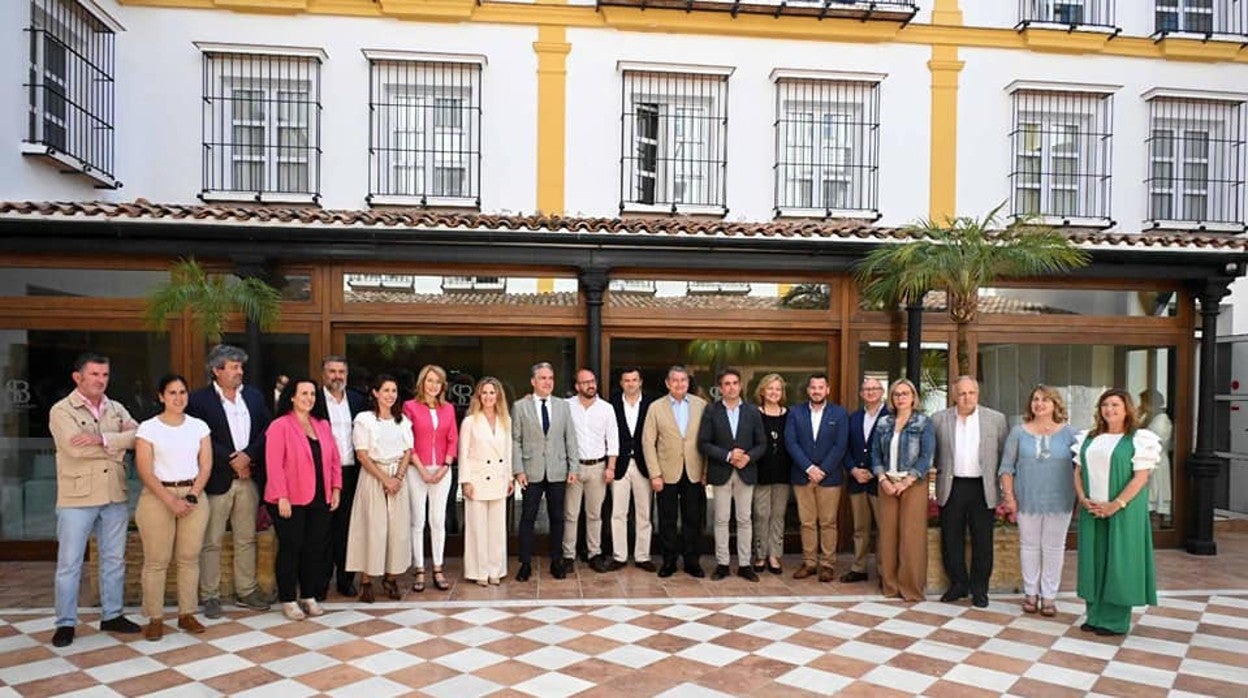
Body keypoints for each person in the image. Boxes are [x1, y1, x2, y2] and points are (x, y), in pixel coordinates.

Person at [48, 353, 141, 648]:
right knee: (70, 563)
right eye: (95, 374)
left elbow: (139, 436)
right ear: (78, 377)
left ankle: (112, 615)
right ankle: (65, 622)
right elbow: (75, 450)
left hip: (113, 493)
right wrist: (116, 444)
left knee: (114, 559)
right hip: (77, 497)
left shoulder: (116, 407)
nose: (101, 380)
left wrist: (100, 440)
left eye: (105, 375)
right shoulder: (61, 411)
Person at [186, 344, 272, 618]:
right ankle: (210, 595)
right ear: (217, 370)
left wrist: (248, 456)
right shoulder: (199, 401)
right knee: (210, 539)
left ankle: (246, 591)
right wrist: (232, 459)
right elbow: (201, 436)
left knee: (246, 538)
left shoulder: (255, 397)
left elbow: (267, 430)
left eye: (240, 367)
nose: (240, 372)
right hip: (217, 480)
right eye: (234, 367)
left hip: (249, 479)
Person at [1073, 388, 1160, 636]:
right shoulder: (1089, 438)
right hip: (1093, 509)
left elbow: (1140, 477)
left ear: (1126, 409)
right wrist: (1082, 498)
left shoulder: (1138, 439)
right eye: (1105, 405)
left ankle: (1114, 621)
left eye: (1115, 405)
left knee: (1118, 562)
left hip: (1123, 511)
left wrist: (1116, 504)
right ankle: (1095, 615)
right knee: (1094, 560)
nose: (1109, 410)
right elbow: (1078, 472)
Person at [134, 374, 212, 641]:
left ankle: (186, 613)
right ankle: (155, 617)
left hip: (193, 494)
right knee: (156, 560)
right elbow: (144, 469)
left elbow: (206, 465)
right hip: (158, 495)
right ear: (161, 397)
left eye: (182, 392)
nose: (178, 398)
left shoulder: (199, 426)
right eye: (172, 393)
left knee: (189, 558)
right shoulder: (148, 428)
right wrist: (170, 500)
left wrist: (191, 497)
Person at [264, 378, 342, 620]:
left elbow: (334, 460)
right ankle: (288, 599)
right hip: (290, 500)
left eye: (312, 394)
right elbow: (274, 465)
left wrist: (336, 488)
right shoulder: (280, 426)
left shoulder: (322, 425)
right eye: (304, 393)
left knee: (314, 549)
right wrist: (281, 496)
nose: (309, 398)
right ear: (292, 397)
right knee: (291, 548)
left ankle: (308, 595)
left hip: (320, 496)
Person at [999, 385, 1077, 617]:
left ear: (1056, 405)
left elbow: (1081, 468)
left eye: (1045, 399)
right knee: (1029, 547)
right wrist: (1009, 497)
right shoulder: (1018, 432)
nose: (1039, 403)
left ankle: (1049, 596)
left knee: (1054, 549)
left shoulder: (1070, 433)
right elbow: (1006, 468)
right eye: (1035, 399)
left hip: (1060, 500)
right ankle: (1031, 594)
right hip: (1027, 499)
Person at [932, 376, 1008, 608]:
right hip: (952, 485)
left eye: (971, 393)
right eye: (962, 393)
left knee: (982, 540)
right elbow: (933, 454)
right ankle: (958, 585)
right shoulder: (939, 419)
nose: (967, 398)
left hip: (982, 487)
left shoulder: (996, 419)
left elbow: (1004, 454)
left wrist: (1006, 490)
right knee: (951, 538)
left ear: (978, 394)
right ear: (955, 395)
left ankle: (979, 590)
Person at [346, 374, 413, 602]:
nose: (390, 395)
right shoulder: (364, 419)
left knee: (397, 531)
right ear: (375, 392)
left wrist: (399, 477)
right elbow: (362, 455)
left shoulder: (402, 421)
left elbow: (408, 452)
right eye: (386, 390)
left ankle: (391, 578)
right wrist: (385, 479)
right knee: (372, 530)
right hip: (374, 478)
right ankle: (366, 580)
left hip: (398, 479)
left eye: (394, 391)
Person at [512, 362, 580, 581]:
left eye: (550, 378)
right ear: (533, 381)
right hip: (531, 471)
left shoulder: (563, 406)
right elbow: (515, 440)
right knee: (527, 518)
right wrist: (518, 470)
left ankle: (556, 561)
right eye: (542, 378)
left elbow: (570, 438)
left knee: (557, 517)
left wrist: (574, 467)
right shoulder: (520, 407)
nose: (547, 382)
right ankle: (525, 563)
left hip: (558, 470)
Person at [698, 367, 766, 582]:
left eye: (735, 383)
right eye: (726, 384)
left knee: (745, 519)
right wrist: (728, 455)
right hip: (721, 471)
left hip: (746, 471)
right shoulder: (711, 411)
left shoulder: (753, 412)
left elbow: (762, 443)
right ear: (720, 388)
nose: (731, 387)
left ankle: (745, 564)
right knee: (721, 519)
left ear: (740, 385)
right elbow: (703, 443)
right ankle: (723, 564)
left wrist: (748, 457)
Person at [871, 378, 935, 602]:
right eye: (896, 394)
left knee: (911, 537)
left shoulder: (924, 423)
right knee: (887, 535)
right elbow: (875, 455)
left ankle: (911, 589)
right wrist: (882, 479)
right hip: (887, 483)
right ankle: (890, 586)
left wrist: (907, 481)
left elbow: (927, 457)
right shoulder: (884, 423)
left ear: (913, 397)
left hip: (913, 484)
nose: (900, 398)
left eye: (905, 393)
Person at [641, 365, 708, 579]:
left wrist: (705, 471)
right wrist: (655, 474)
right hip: (666, 473)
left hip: (694, 471)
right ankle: (669, 561)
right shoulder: (656, 407)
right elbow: (647, 442)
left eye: (683, 380)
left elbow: (707, 440)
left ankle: (692, 562)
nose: (680, 384)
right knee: (667, 520)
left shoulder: (701, 405)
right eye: (675, 380)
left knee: (693, 519)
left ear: (688, 383)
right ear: (668, 383)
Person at [784, 373, 849, 582]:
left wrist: (823, 469)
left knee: (828, 522)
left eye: (821, 387)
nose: (817, 391)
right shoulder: (795, 412)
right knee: (807, 522)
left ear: (827, 390)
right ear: (808, 390)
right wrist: (809, 467)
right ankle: (810, 562)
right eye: (813, 387)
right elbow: (791, 442)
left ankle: (828, 564)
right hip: (803, 476)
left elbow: (840, 445)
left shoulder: (839, 414)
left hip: (829, 478)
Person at [402, 364, 458, 593]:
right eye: (429, 381)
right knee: (418, 521)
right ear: (422, 382)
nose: (433, 385)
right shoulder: (410, 406)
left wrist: (446, 464)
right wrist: (422, 469)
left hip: (442, 470)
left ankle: (437, 567)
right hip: (417, 470)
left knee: (437, 520)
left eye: (438, 381)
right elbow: (407, 440)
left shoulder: (448, 408)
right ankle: (419, 569)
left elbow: (453, 438)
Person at [321, 356, 367, 599]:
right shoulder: (314, 400)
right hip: (322, 475)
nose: (337, 376)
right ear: (323, 375)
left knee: (347, 530)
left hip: (351, 473)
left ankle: (345, 580)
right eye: (332, 371)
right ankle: (320, 581)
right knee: (322, 531)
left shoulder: (359, 401)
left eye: (341, 372)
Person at [460, 377, 514, 585]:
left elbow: (508, 451)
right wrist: (465, 481)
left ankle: (495, 570)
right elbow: (463, 453)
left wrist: (509, 477)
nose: (488, 397)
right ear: (478, 396)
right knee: (477, 528)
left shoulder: (505, 420)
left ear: (498, 395)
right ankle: (479, 571)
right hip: (477, 479)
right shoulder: (470, 421)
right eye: (484, 393)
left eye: (492, 392)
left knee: (497, 529)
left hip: (499, 479)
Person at [564, 368, 619, 574]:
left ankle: (594, 553)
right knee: (571, 514)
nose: (591, 385)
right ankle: (568, 555)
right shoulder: (566, 406)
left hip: (598, 466)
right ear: (577, 386)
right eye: (585, 382)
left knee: (595, 514)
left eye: (593, 381)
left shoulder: (606, 409)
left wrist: (611, 467)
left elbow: (613, 439)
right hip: (574, 468)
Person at [608, 367, 656, 572]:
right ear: (621, 383)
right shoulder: (611, 404)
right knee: (618, 512)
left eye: (634, 380)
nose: (630, 384)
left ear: (640, 382)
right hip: (619, 465)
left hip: (644, 465)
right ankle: (619, 556)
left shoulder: (651, 404)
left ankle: (642, 556)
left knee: (644, 513)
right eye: (626, 380)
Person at [842, 377, 887, 584]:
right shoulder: (853, 418)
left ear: (882, 392)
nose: (870, 392)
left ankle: (883, 570)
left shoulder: (891, 417)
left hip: (880, 481)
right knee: (860, 528)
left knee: (883, 528)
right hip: (856, 480)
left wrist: (874, 470)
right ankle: (859, 568)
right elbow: (845, 447)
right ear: (861, 394)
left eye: (874, 389)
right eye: (866, 389)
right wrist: (852, 469)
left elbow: (892, 450)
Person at [751, 373, 791, 576]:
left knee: (777, 515)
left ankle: (774, 555)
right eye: (770, 388)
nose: (774, 392)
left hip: (783, 473)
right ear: (762, 391)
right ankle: (760, 554)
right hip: (760, 473)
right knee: (761, 514)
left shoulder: (789, 414)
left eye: (778, 389)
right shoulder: (753, 413)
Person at [1138, 389, 1173, 524]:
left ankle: (1159, 519)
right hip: (1148, 460)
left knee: (1156, 489)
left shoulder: (1161, 420)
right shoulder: (1150, 418)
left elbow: (1154, 440)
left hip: (1157, 460)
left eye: (1143, 402)